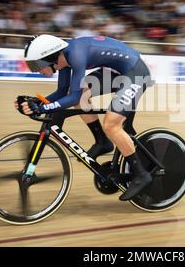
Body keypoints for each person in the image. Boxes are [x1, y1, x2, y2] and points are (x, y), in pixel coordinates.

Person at [16, 34, 154, 201]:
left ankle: (141, 174)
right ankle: (102, 141)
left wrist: (42, 108)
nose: (36, 70)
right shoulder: (63, 58)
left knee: (111, 124)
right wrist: (37, 102)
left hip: (136, 72)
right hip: (116, 71)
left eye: (36, 65)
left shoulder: (74, 54)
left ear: (50, 57)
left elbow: (73, 98)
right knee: (76, 94)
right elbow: (62, 93)